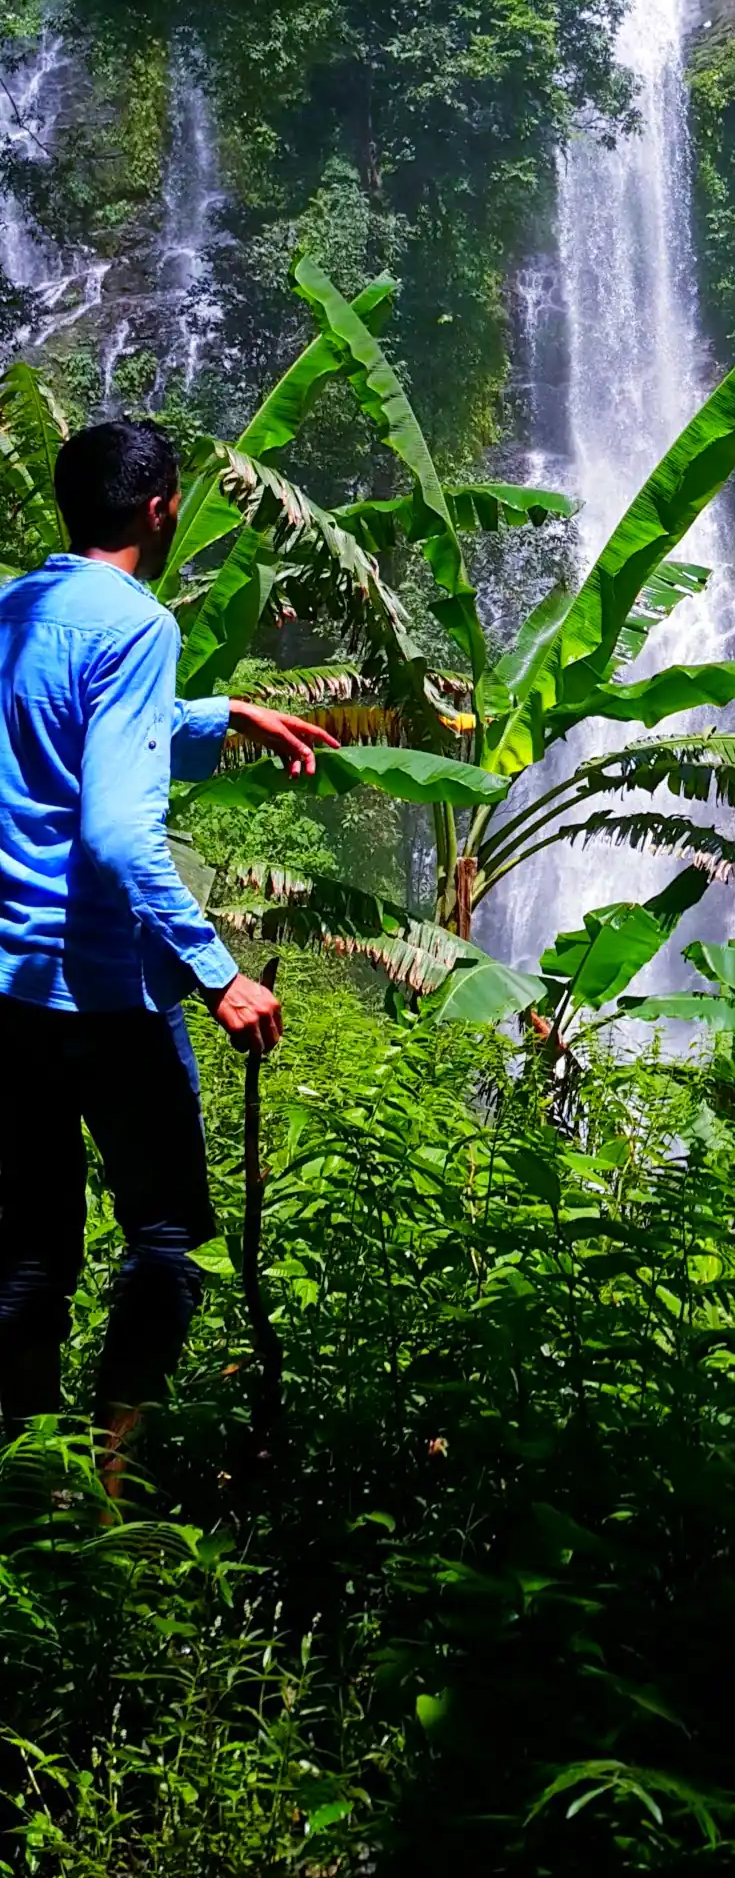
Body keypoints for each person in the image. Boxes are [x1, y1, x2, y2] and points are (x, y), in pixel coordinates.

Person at [0, 414, 336, 1476]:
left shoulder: (16, 611)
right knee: (164, 1247)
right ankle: (106, 1471)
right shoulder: (137, 625)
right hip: (102, 993)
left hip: (8, 988)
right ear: (159, 510)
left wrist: (220, 713)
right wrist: (218, 969)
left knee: (28, 1258)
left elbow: (59, 726)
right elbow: (111, 829)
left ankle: (25, 1485)